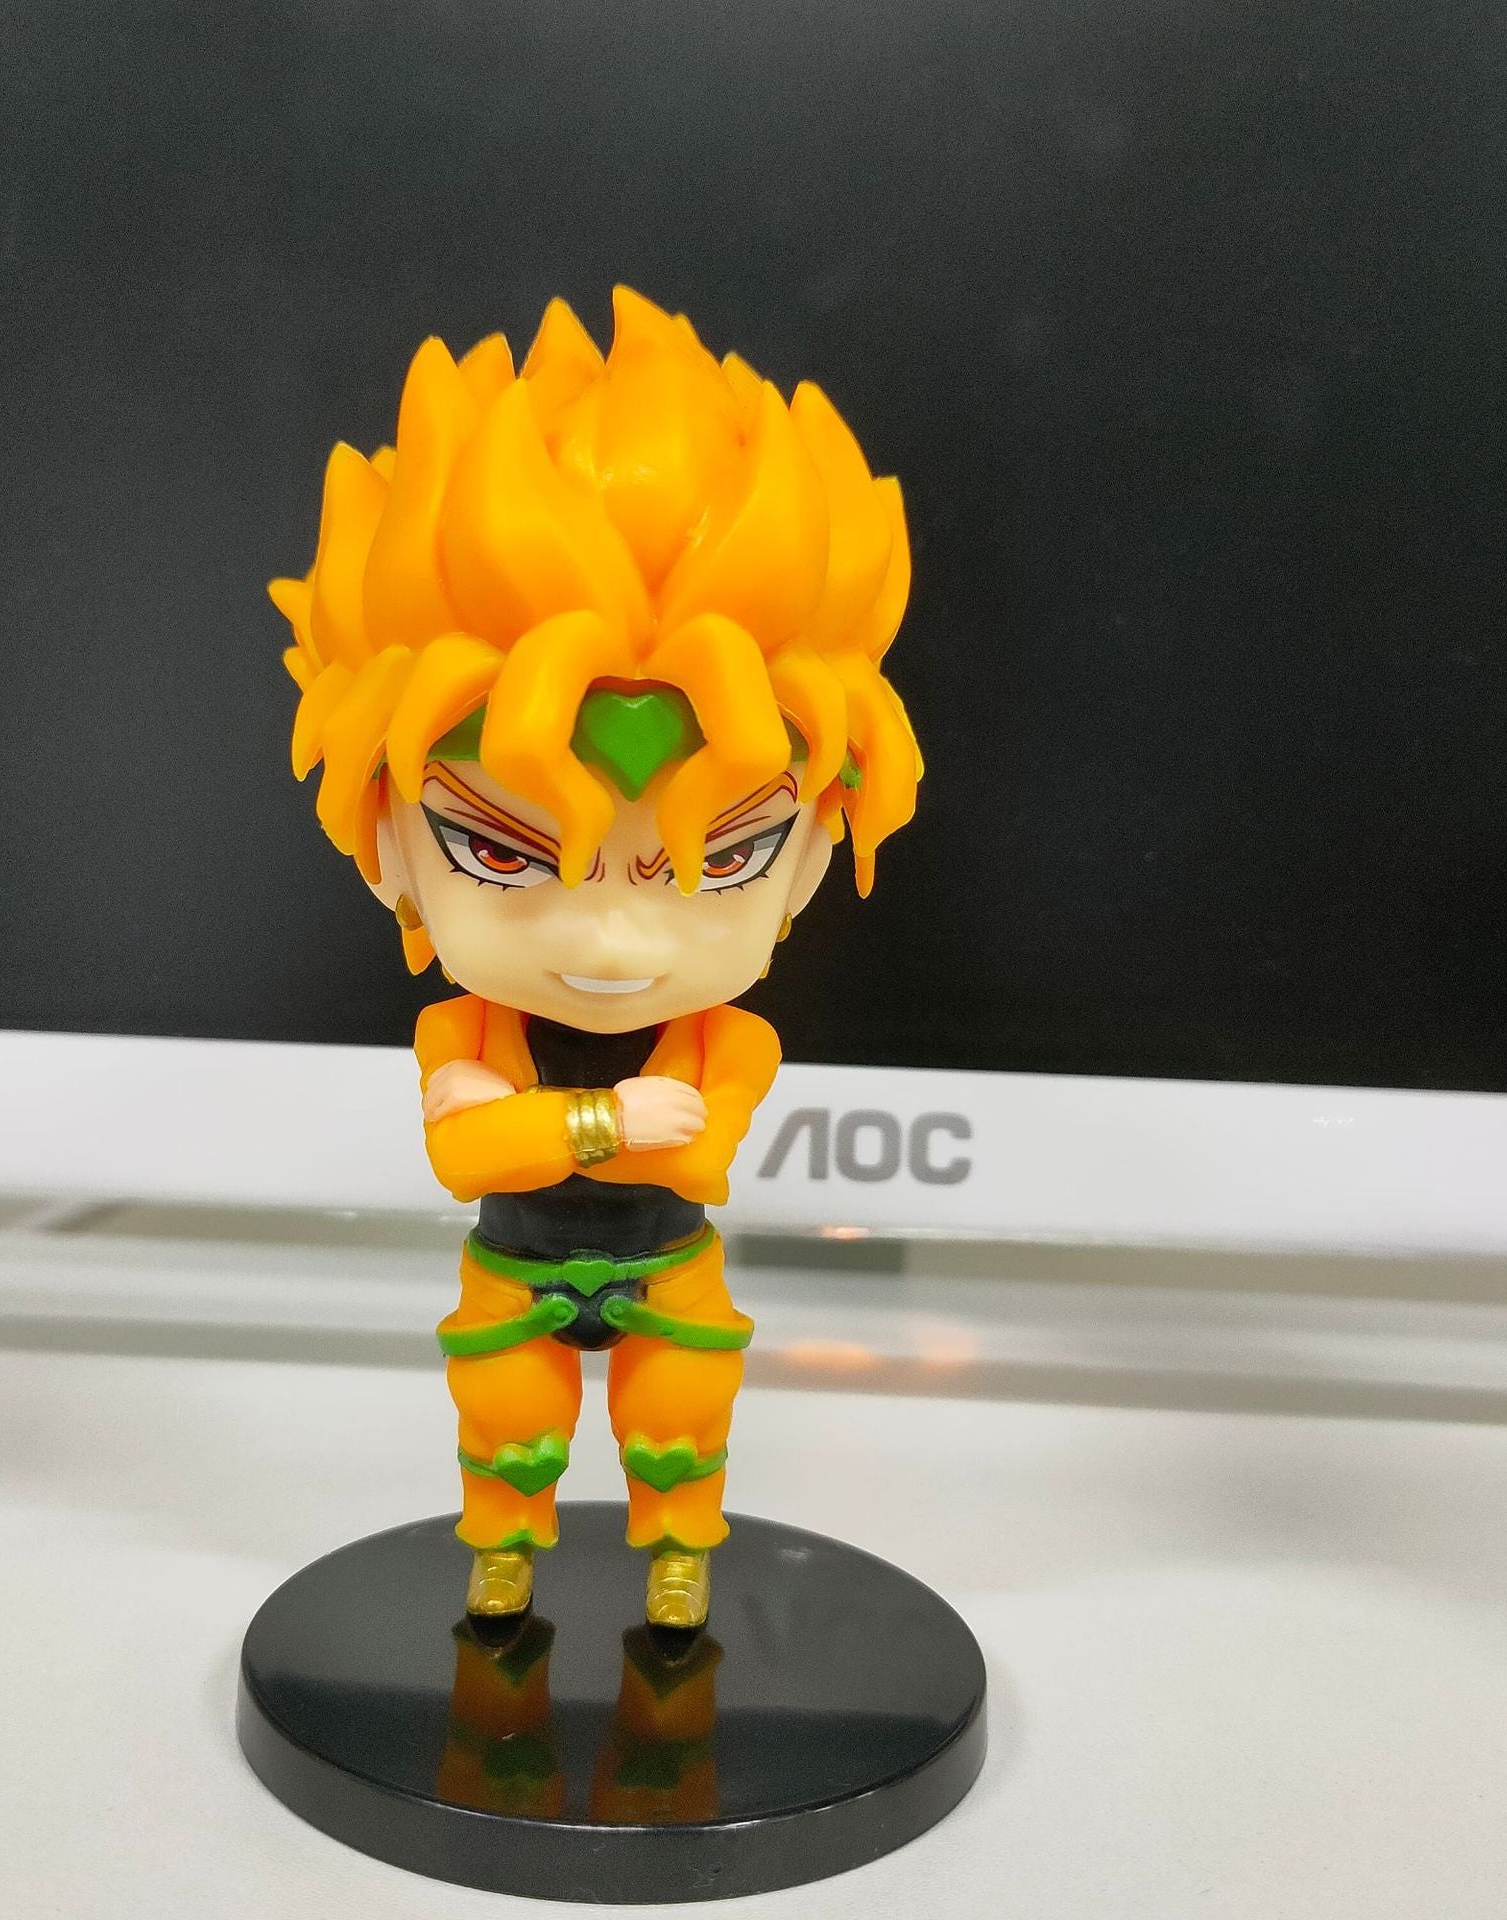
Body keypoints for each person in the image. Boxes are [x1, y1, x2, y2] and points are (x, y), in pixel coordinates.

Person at [269, 287, 921, 1628]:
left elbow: (698, 1158)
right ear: (387, 845)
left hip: (671, 1278)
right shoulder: (465, 1033)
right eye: (503, 853)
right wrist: (607, 1122)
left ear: (809, 860)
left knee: (677, 1430)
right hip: (513, 1280)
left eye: (721, 859)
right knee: (508, 1432)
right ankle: (501, 1570)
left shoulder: (721, 1039)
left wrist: (539, 1129)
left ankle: (678, 1573)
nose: (614, 937)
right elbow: (468, 1162)